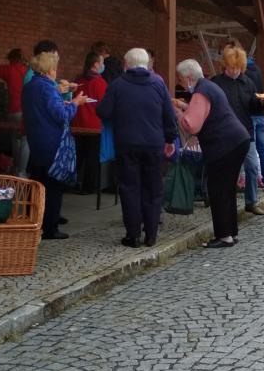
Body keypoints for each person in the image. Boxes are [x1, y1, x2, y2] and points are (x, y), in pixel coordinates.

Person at [96, 48, 177, 248]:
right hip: (153, 144)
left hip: (127, 144)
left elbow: (103, 111)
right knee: (153, 188)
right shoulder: (158, 84)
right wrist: (170, 139)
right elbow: (169, 115)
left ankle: (133, 235)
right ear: (147, 64)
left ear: (126, 64)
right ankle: (151, 235)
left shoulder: (117, 85)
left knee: (129, 189)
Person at [173, 59, 251, 248]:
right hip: (238, 140)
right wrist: (184, 107)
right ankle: (231, 232)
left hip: (224, 145)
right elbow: (205, 112)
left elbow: (192, 125)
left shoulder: (201, 92)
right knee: (228, 189)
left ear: (188, 77)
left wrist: (176, 113)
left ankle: (224, 236)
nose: (181, 83)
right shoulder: (209, 86)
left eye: (181, 79)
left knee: (218, 189)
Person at [23, 43, 91, 240]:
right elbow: (62, 116)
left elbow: (44, 110)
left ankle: (33, 221)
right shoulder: (47, 88)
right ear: (48, 70)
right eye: (54, 68)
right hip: (52, 142)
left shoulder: (30, 86)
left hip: (36, 140)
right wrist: (76, 103)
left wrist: (63, 101)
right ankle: (50, 228)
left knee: (38, 184)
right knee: (53, 186)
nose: (56, 72)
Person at [211, 45, 264, 217]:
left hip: (245, 132)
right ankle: (225, 204)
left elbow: (253, 107)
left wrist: (261, 103)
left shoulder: (247, 82)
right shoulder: (216, 83)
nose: (234, 71)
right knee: (227, 170)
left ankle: (251, 202)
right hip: (224, 134)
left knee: (252, 166)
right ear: (225, 66)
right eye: (231, 67)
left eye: (237, 68)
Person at [71, 50, 108, 194]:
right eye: (102, 62)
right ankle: (88, 186)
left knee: (77, 156)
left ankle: (70, 181)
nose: (103, 65)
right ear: (96, 64)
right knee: (92, 157)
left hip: (78, 124)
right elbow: (104, 105)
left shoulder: (78, 80)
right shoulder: (100, 82)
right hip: (94, 126)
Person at [0, 47, 30, 175]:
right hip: (27, 110)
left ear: (11, 58)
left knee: (15, 140)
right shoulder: (28, 71)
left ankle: (16, 169)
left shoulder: (8, 69)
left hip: (13, 110)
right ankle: (22, 171)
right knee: (25, 141)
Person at [246, 54, 264, 192]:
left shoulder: (243, 73)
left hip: (250, 115)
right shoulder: (258, 70)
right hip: (262, 114)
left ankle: (252, 183)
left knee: (251, 151)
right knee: (263, 149)